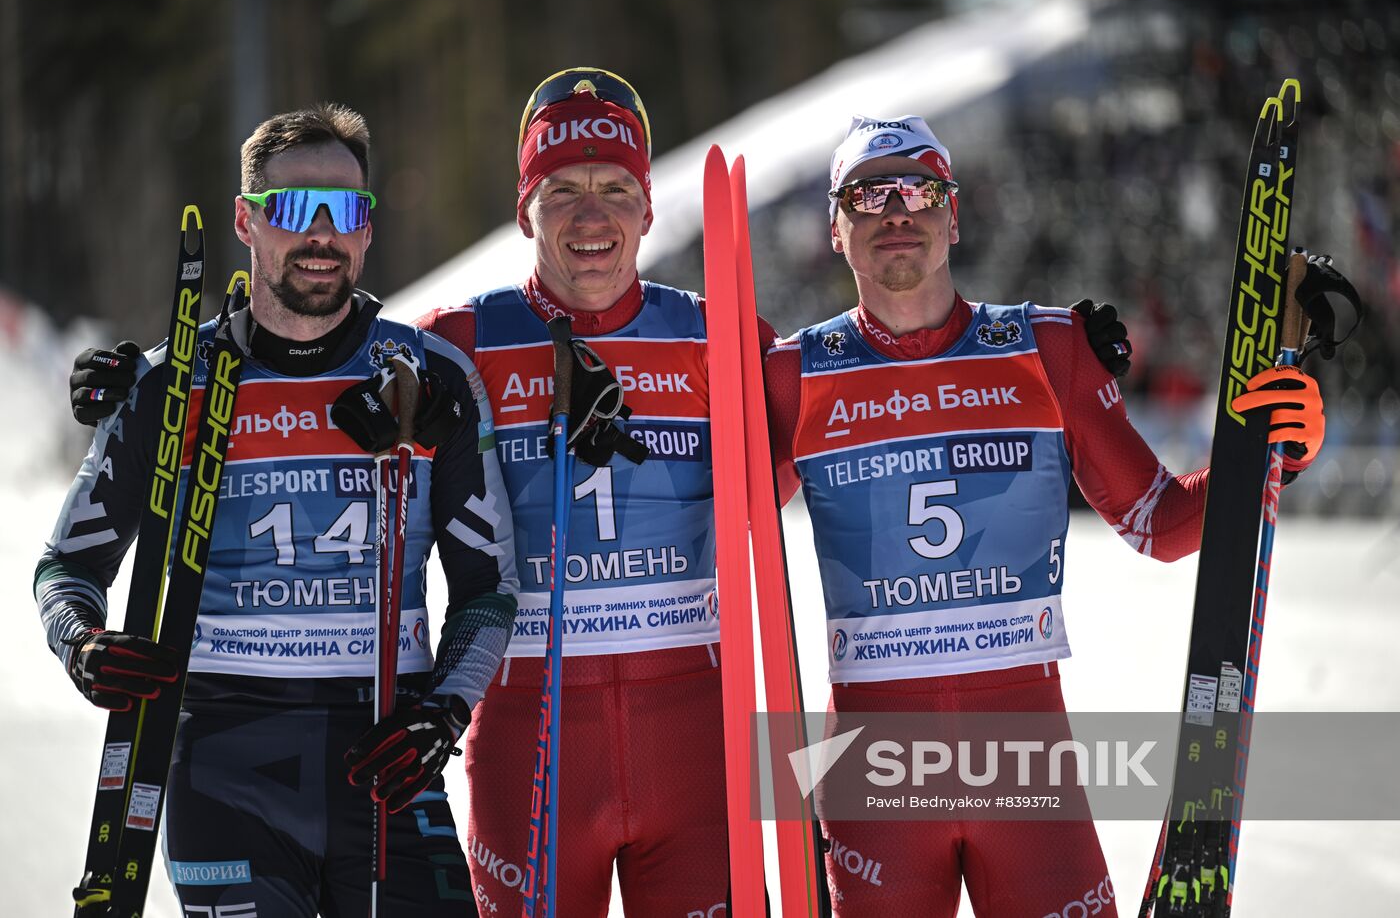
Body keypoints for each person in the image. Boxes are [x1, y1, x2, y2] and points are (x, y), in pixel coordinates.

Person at [68, 80, 1133, 916]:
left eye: (615, 189)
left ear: (649, 205)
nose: (591, 216)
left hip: (695, 746)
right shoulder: (460, 343)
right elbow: (319, 338)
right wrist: (155, 379)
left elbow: (882, 376)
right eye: (561, 191)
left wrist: (1051, 353)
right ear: (522, 208)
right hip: (528, 741)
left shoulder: (722, 341)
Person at [763, 115, 1330, 916]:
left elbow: (1159, 524)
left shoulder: (1047, 347)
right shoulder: (792, 373)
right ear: (835, 226)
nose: (898, 210)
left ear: (953, 215)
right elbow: (720, 513)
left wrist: (1274, 454)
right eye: (869, 193)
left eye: (921, 189)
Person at [40, 103, 517, 917]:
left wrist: (445, 709)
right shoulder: (170, 384)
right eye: (295, 208)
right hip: (224, 769)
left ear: (367, 231)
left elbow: (489, 588)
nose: (322, 234)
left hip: (385, 763)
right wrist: (84, 645)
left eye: (347, 210)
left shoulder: (430, 379)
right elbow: (68, 567)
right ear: (246, 221)